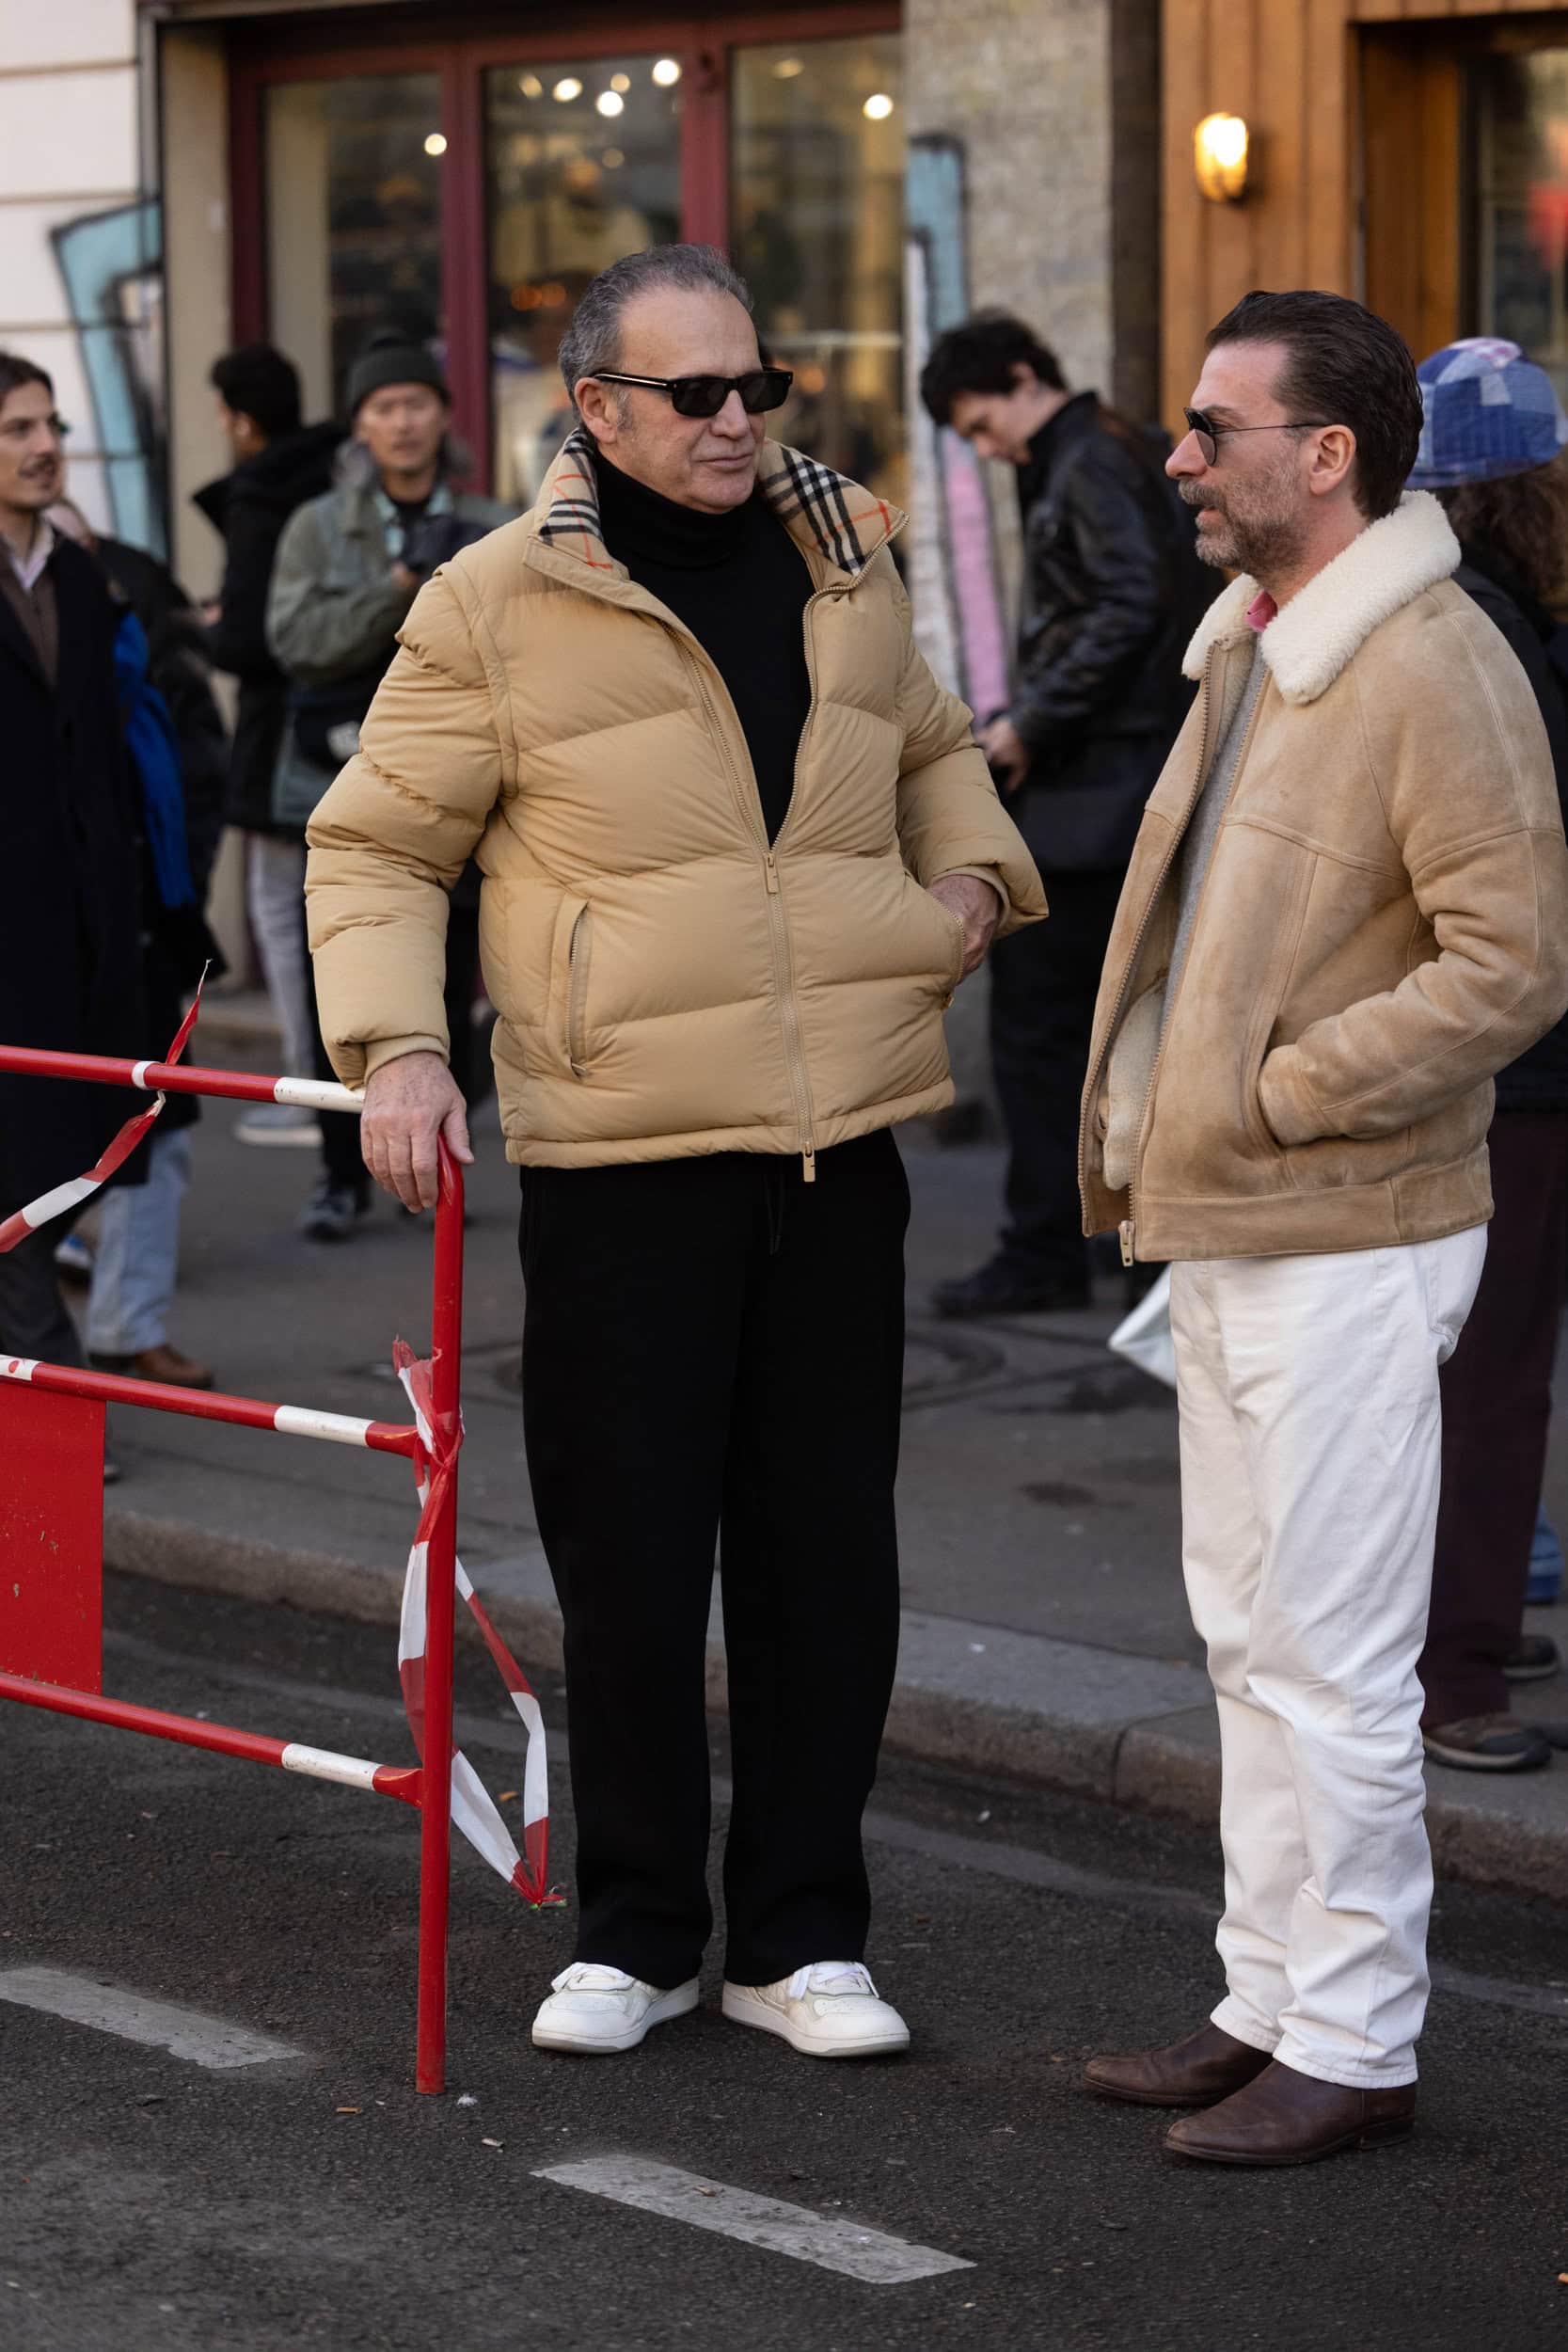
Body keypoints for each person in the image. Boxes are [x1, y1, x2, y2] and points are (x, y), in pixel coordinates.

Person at [305, 245, 1044, 2058]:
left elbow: (935, 744)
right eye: (696, 394)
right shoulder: (491, 600)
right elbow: (377, 845)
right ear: (599, 409)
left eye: (756, 385)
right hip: (623, 1149)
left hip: (837, 1138)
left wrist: (967, 880)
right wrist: (397, 1051)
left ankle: (801, 1937)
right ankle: (635, 1930)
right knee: (631, 1560)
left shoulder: (844, 551)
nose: (738, 422)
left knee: (824, 1561)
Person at [1077, 291, 1568, 2164]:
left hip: (1346, 1215)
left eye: (1214, 426)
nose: (1181, 455)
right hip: (1233, 1209)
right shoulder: (1258, 637)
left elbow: (1508, 958)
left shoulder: (1425, 656)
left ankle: (1351, 2034)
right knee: (1240, 1635)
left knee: (1337, 1657)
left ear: (1327, 450)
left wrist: (1279, 1087)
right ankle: (1263, 1994)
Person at [919, 312, 1212, 1317]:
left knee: (1039, 1029)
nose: (983, 445)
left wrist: (1028, 722)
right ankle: (1105, 1241)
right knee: (1107, 1027)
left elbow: (1128, 604)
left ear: (1019, 376)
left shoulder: (1085, 459)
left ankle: (1046, 1243)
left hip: (1096, 794)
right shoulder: (1108, 448)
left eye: (979, 421)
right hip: (1121, 787)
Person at [1404, 340, 1568, 1771]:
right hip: (1522, 1056)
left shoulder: (1474, 620)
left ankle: (1460, 1651)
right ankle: (1459, 1655)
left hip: (1511, 1056)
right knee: (1492, 1370)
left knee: (1491, 1365)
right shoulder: (1500, 623)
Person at [267, 331, 512, 1239]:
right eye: (383, 407)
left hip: (459, 795)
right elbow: (295, 640)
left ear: (443, 415)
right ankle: (338, 1177)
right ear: (359, 426)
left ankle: (435, 1171)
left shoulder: (492, 517)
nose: (403, 422)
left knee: (448, 989)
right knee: (348, 993)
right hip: (338, 792)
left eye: (417, 403)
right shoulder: (317, 525)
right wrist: (402, 589)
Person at [47, 495, 227, 1392]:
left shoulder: (133, 652)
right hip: (60, 940)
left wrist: (175, 888)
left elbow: (195, 759)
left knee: (162, 1126)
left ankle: (126, 1327)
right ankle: (63, 1367)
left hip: (146, 926)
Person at [0, 354, 144, 1427]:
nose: (46, 444)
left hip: (76, 934)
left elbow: (108, 753)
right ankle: (52, 1409)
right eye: (17, 429)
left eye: (50, 423)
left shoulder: (86, 578)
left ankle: (46, 1398)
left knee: (57, 1165)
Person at [194, 345, 339, 1146]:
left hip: (281, 735)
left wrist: (216, 631)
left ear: (243, 420)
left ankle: (308, 1087)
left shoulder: (261, 496)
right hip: (343, 720)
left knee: (282, 910)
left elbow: (251, 638)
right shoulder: (330, 475)